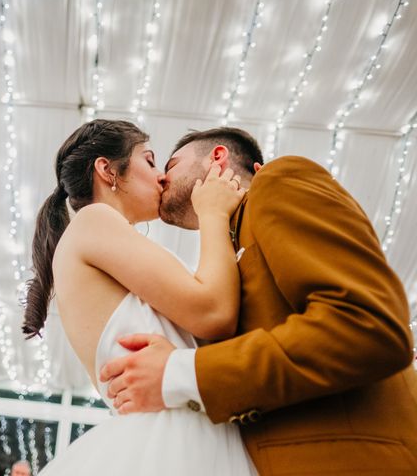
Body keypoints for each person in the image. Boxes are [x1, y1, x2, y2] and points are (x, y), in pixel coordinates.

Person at [100, 127, 417, 474]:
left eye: (171, 165)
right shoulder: (219, 255)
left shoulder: (278, 182)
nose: (161, 178)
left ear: (217, 157)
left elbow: (366, 325)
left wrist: (180, 371)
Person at [23, 119, 256, 474]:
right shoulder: (94, 221)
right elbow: (214, 313)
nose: (162, 176)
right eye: (149, 161)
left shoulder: (98, 238)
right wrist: (212, 214)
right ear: (107, 170)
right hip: (172, 442)